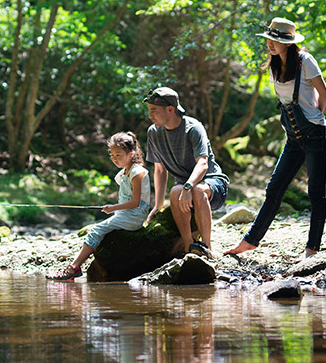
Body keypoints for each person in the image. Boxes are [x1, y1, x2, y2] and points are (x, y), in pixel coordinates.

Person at [224, 17, 326, 260]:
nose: (270, 44)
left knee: (315, 193)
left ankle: (312, 249)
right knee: (274, 189)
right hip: (293, 139)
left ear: (289, 43)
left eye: (276, 40)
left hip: (315, 135)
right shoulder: (274, 65)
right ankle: (250, 241)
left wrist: (315, 116)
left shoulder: (306, 61)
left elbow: (324, 94)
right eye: (269, 40)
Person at [47, 132, 151, 280]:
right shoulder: (123, 173)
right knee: (99, 229)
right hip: (126, 214)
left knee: (96, 230)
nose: (115, 159)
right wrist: (115, 209)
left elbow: (135, 202)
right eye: (113, 155)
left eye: (118, 155)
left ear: (131, 154)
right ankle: (75, 266)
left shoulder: (137, 173)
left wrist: (113, 208)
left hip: (135, 216)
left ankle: (74, 268)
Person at [143, 87, 229, 259]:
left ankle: (207, 248)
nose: (150, 115)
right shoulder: (153, 132)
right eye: (149, 111)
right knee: (175, 191)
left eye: (154, 111)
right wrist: (158, 205)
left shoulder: (193, 127)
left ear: (170, 109)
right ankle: (189, 246)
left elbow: (203, 164)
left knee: (196, 190)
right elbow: (159, 170)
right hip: (183, 188)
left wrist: (188, 187)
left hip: (212, 183)